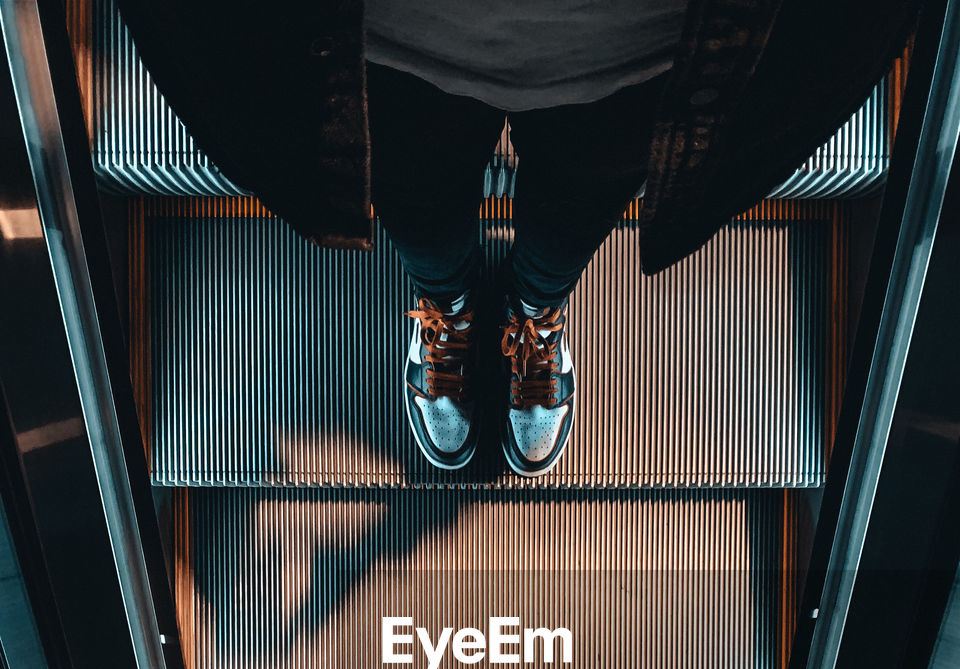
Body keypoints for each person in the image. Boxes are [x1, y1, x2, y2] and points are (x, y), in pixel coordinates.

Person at [117, 0, 922, 470]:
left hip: (640, 55)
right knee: (420, 210)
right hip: (385, 44)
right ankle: (456, 309)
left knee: (571, 215)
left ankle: (529, 315)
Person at [363, 9, 685, 474]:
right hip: (413, 31)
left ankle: (530, 308)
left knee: (584, 180)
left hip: (618, 36)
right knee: (419, 170)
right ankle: (455, 305)